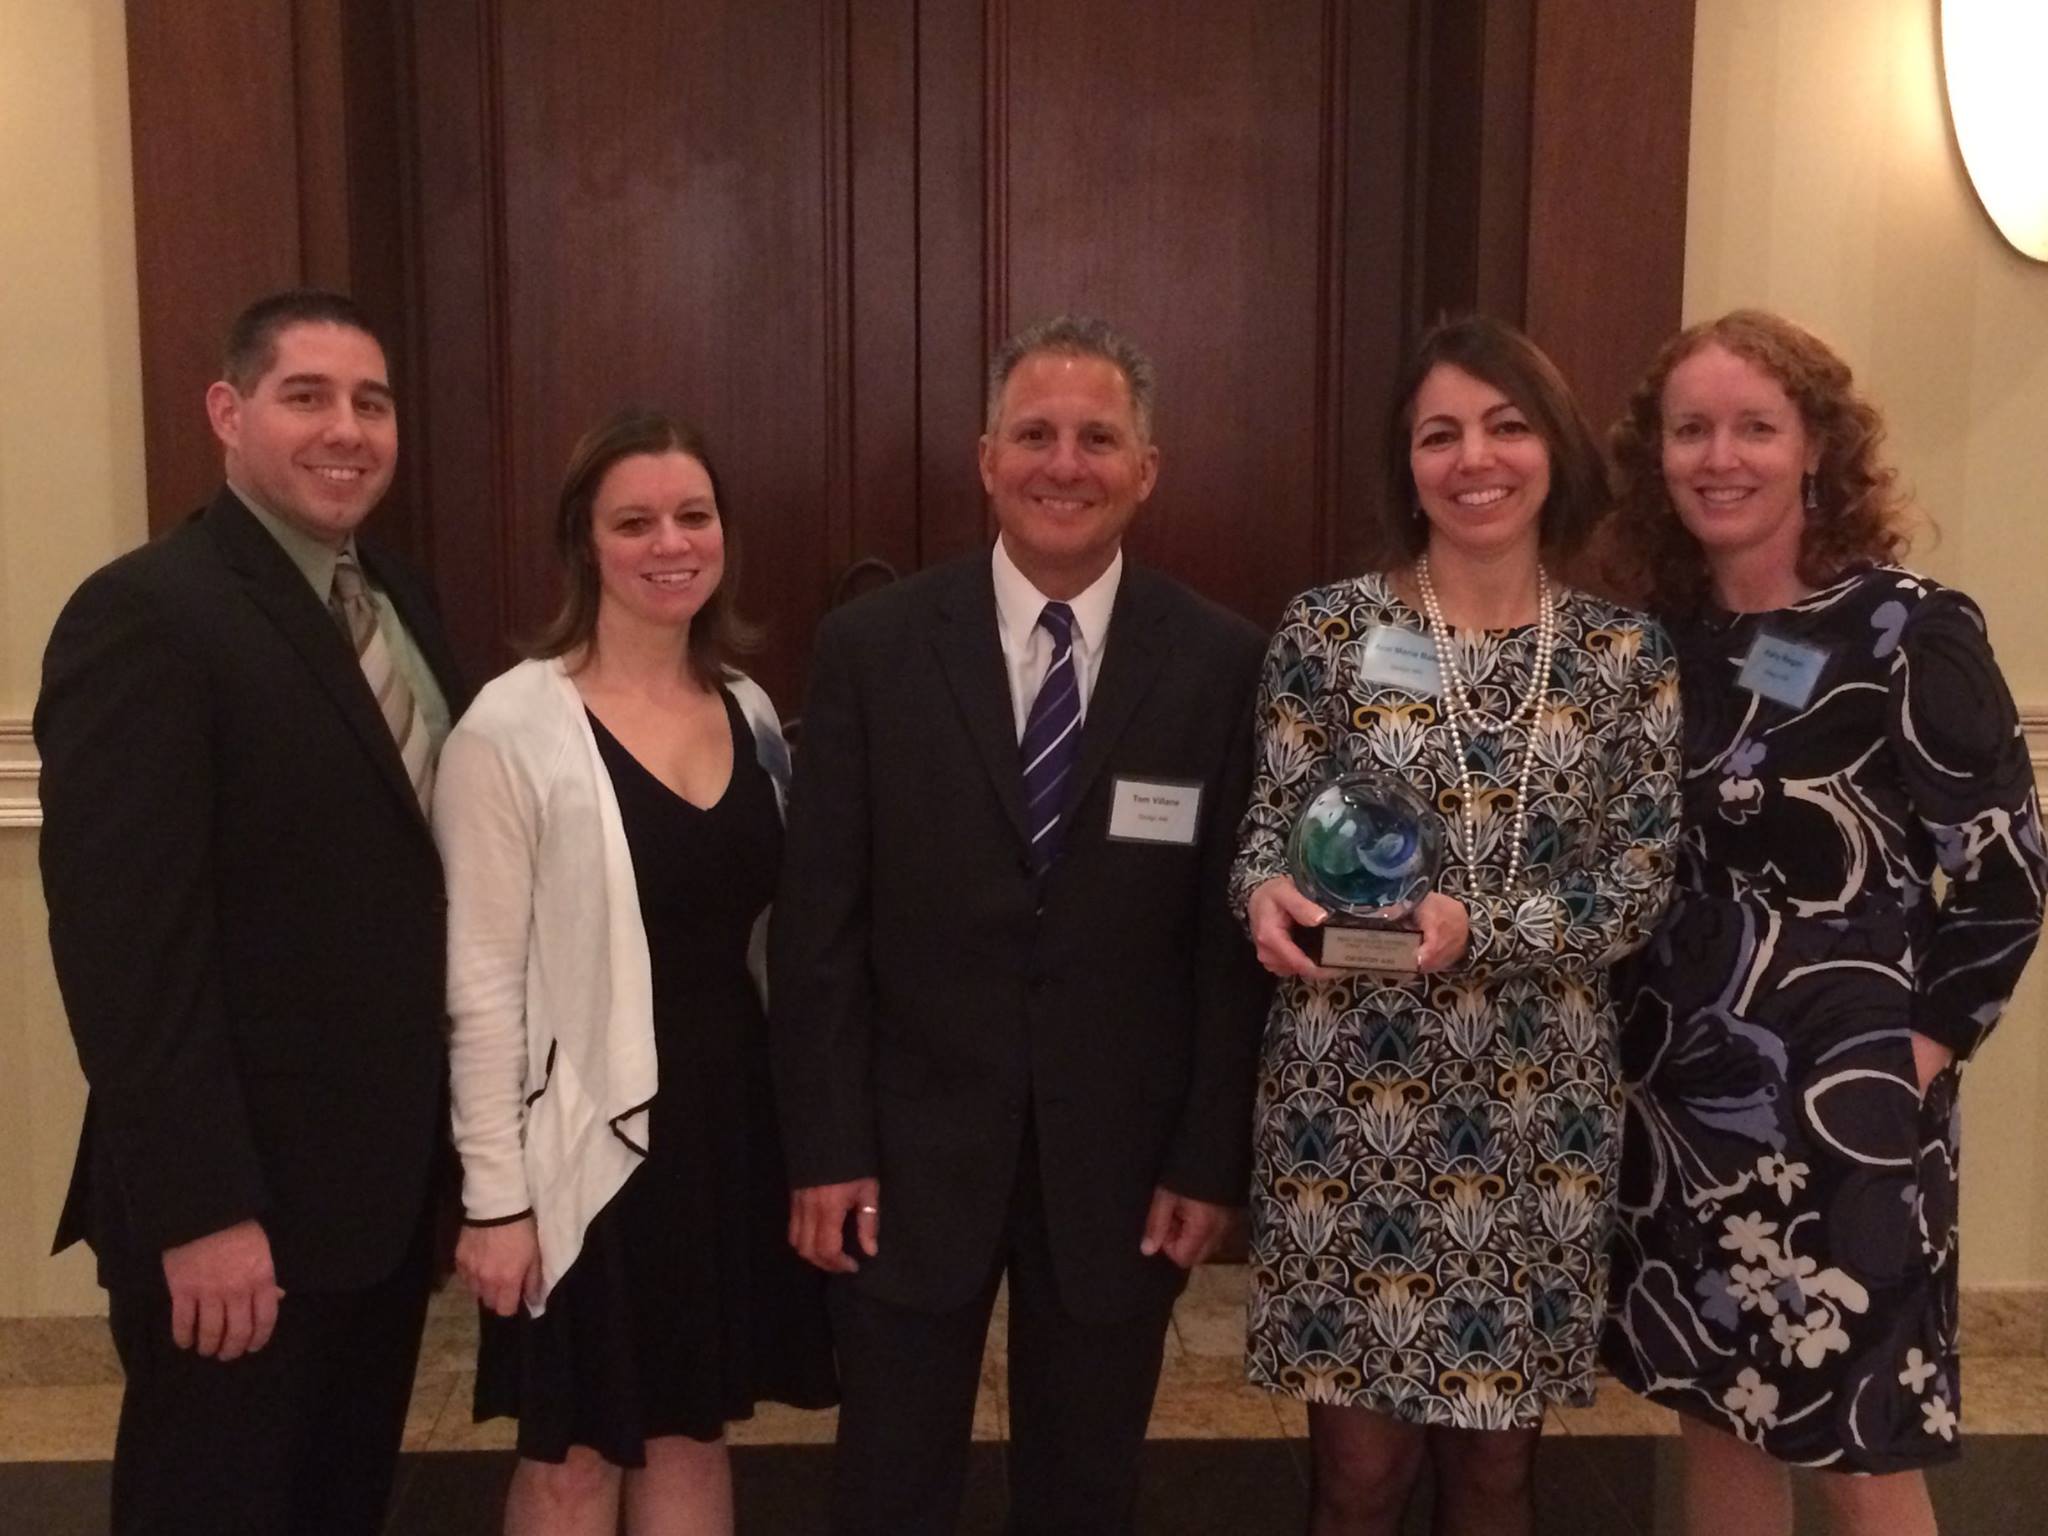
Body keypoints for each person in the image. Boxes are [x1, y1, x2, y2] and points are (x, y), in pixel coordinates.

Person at [769, 315, 1271, 1534]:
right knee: (888, 1481)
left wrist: (1207, 1161)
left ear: (1144, 471)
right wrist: (825, 1145)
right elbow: (817, 927)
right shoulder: (872, 651)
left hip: (1119, 1167)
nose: (1065, 462)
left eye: (1097, 438)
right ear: (985, 458)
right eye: (1035, 434)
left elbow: (1222, 946)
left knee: (1087, 1483)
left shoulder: (1219, 662)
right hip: (900, 1152)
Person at [1232, 315, 1682, 1536]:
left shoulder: (1621, 656)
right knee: (1357, 1478)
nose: (1472, 458)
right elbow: (1265, 838)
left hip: (1533, 1111)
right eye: (1439, 434)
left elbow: (1634, 886)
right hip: (1345, 1103)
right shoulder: (1325, 632)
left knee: (1494, 1479)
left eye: (1505, 425)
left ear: (1553, 451)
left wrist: (1472, 924)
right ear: (1406, 463)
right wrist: (1264, 895)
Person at [1601, 309, 2047, 1536]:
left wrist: (1913, 1057)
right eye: (1689, 430)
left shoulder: (1908, 630)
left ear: (1814, 450)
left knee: (1856, 1445)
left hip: (1847, 1119)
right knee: (1719, 1412)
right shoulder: (1663, 644)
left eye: (1753, 426)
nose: (1718, 456)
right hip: (1679, 1105)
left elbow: (2005, 880)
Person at [35, 289, 468, 1535]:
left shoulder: (396, 601)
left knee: (335, 1501)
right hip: (239, 1213)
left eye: (371, 403)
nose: (348, 429)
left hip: (373, 1202)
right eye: (307, 396)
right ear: (228, 411)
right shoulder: (148, 616)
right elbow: (129, 956)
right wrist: (202, 1212)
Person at [433, 408, 836, 1534]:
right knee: (571, 1454)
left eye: (692, 515)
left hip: (721, 1122)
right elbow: (478, 985)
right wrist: (496, 1199)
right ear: (584, 545)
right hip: (585, 1141)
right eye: (635, 521)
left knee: (690, 1434)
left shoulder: (749, 709)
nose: (670, 542)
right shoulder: (511, 727)